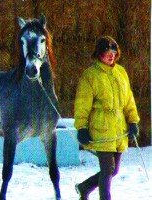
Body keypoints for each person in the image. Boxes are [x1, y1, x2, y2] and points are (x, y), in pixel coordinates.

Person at [74, 36, 140, 200]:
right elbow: (82, 104)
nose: (111, 55)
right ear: (99, 53)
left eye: (114, 51)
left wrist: (133, 121)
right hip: (101, 128)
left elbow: (129, 100)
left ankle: (84, 187)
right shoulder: (90, 76)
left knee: (114, 170)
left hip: (119, 129)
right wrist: (81, 127)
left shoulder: (121, 72)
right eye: (106, 51)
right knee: (108, 169)